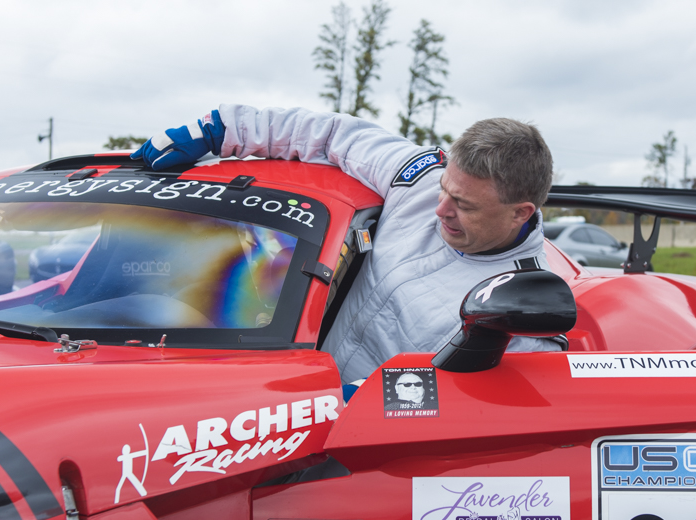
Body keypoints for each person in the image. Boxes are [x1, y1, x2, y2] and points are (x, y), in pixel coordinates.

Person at [133, 105, 559, 383]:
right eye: (444, 189)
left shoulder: (521, 309)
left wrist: (362, 404)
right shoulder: (419, 180)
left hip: (367, 450)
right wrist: (221, 129)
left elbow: (481, 412)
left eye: (463, 205)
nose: (439, 208)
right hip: (293, 392)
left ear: (520, 212)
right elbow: (329, 134)